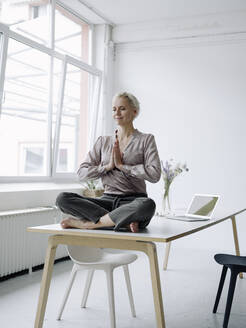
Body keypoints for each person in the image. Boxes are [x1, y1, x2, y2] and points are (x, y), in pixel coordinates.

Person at [56, 92, 161, 233]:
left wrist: (123, 167)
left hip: (133, 201)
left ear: (134, 112)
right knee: (62, 199)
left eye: (122, 108)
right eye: (114, 109)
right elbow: (81, 173)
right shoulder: (103, 141)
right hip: (105, 202)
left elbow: (155, 174)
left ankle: (89, 224)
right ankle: (121, 222)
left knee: (148, 205)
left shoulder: (146, 139)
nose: (117, 112)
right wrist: (107, 167)